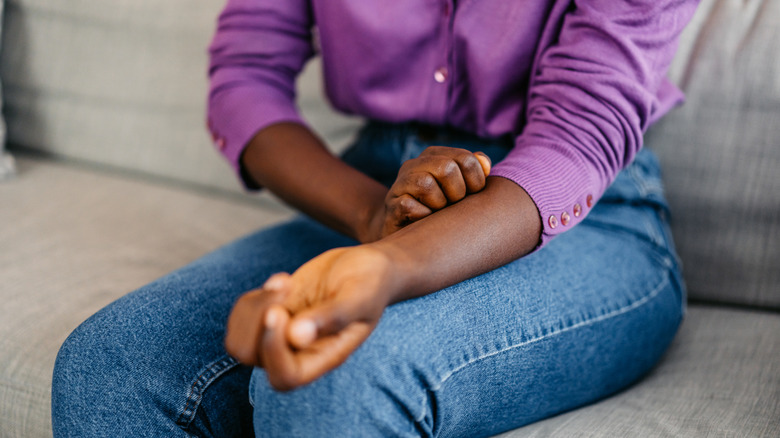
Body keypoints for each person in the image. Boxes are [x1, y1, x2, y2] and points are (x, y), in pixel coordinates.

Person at [51, 1, 698, 436]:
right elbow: (245, 80)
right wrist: (370, 215)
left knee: (334, 377)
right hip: (373, 185)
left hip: (580, 213)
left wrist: (387, 264)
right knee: (110, 365)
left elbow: (577, 139)